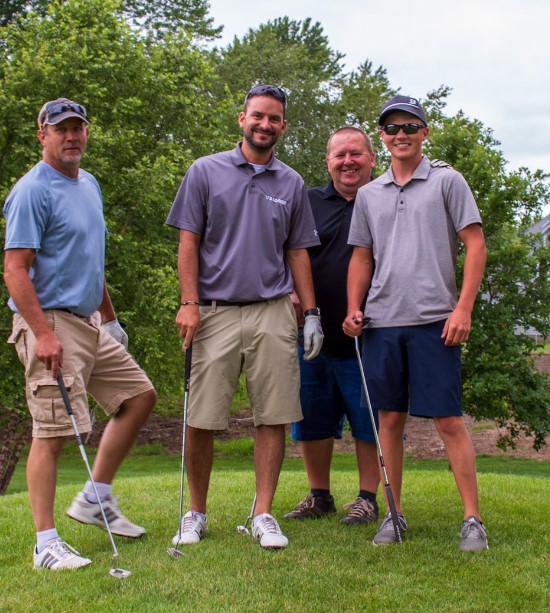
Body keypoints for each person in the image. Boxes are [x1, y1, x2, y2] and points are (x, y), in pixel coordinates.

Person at [165, 84, 324, 549]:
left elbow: (297, 252)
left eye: (274, 118)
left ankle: (263, 513)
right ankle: (196, 512)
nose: (264, 125)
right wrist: (189, 302)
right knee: (201, 417)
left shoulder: (291, 182)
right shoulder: (204, 171)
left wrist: (311, 312)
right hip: (213, 311)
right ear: (242, 119)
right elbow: (188, 241)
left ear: (283, 126)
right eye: (258, 116)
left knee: (272, 415)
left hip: (272, 310)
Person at [3, 98, 157, 570]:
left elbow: (91, 260)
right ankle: (45, 544)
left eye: (78, 128)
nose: (71, 136)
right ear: (42, 134)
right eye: (61, 129)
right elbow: (14, 269)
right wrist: (42, 334)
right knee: (52, 432)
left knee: (139, 396)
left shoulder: (88, 183)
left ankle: (95, 498)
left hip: (88, 322)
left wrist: (109, 318)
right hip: (49, 321)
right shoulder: (33, 191)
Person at [343, 95, 488, 551]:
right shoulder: (369, 194)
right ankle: (394, 515)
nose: (401, 134)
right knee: (388, 419)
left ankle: (473, 520)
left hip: (435, 321)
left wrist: (463, 308)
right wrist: (353, 307)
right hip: (382, 324)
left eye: (410, 126)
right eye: (392, 128)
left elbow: (476, 244)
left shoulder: (447, 181)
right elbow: (361, 256)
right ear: (382, 136)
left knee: (448, 421)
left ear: (424, 132)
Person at [283, 127, 381, 525]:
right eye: (340, 155)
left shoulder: (385, 199)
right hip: (312, 335)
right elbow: (288, 252)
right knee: (311, 419)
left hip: (370, 337)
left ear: (372, 158)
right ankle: (319, 496)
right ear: (328, 161)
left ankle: (367, 498)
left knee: (370, 422)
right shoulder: (307, 202)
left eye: (356, 153)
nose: (348, 161)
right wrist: (292, 294)